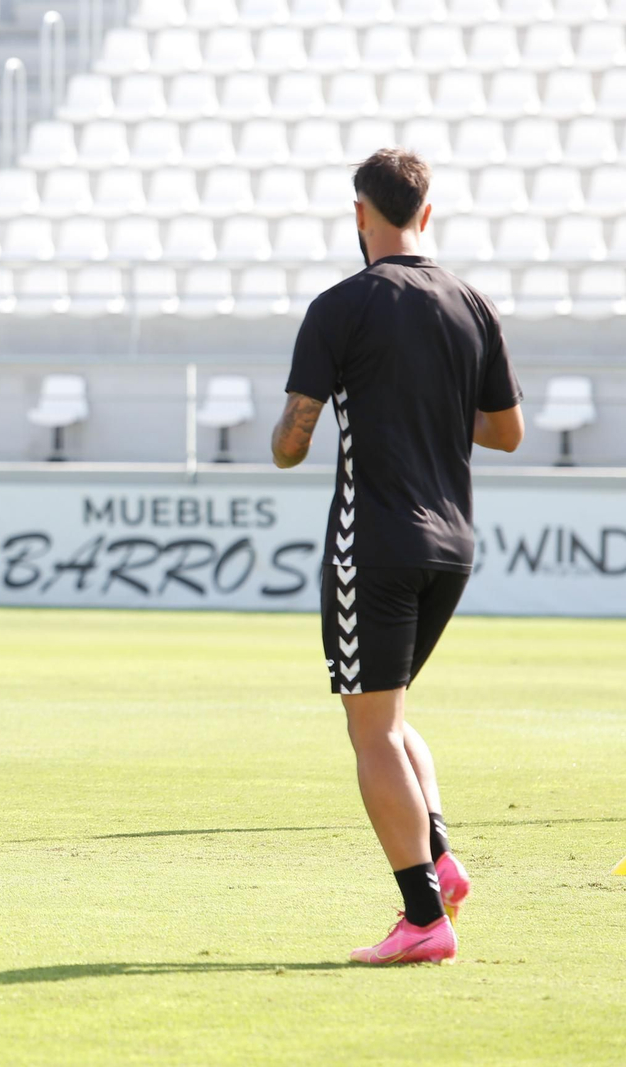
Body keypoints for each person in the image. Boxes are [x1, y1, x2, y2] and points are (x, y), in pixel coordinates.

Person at [271, 149, 524, 963]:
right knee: (394, 713)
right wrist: (433, 410)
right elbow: (506, 432)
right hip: (452, 545)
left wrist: (306, 421)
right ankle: (441, 861)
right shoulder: (470, 303)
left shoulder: (342, 305)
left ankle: (423, 916)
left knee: (371, 731)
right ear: (427, 208)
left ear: (360, 213)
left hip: (372, 541)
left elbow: (288, 444)